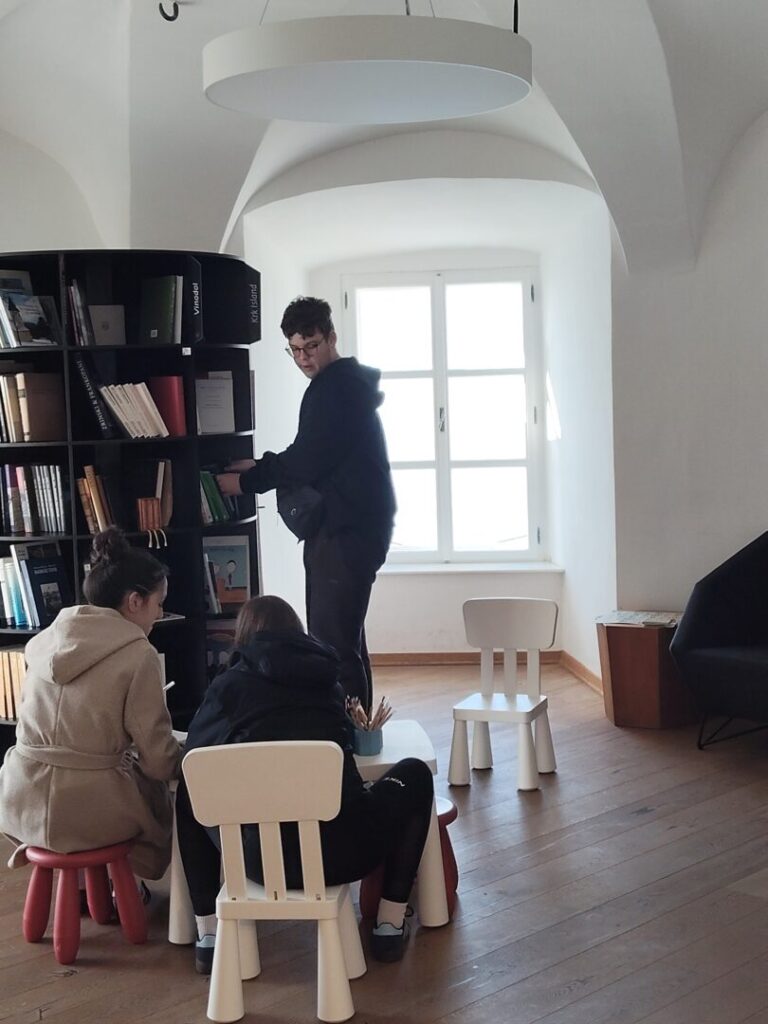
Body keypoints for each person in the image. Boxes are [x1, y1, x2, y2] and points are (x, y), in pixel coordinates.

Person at [176, 595, 434, 972]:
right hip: (344, 852)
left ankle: (209, 934)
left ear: (243, 637)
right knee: (415, 774)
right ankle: (390, 924)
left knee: (190, 783)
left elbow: (194, 756)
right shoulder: (328, 682)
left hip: (256, 861)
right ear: (298, 633)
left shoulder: (227, 688)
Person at [217, 296, 396, 713]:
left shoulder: (336, 389)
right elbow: (316, 454)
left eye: (311, 346)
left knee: (334, 644)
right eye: (294, 350)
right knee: (345, 640)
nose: (303, 358)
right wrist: (262, 466)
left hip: (346, 531)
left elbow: (310, 458)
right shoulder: (342, 386)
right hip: (352, 527)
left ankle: (347, 741)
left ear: (331, 337)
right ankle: (359, 736)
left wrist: (248, 481)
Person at [0, 526, 182, 882]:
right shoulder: (138, 653)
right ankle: (124, 889)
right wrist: (187, 757)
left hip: (19, 798)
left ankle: (88, 889)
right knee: (162, 798)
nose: (160, 615)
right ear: (135, 601)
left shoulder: (45, 639)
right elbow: (159, 760)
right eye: (158, 604)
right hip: (90, 808)